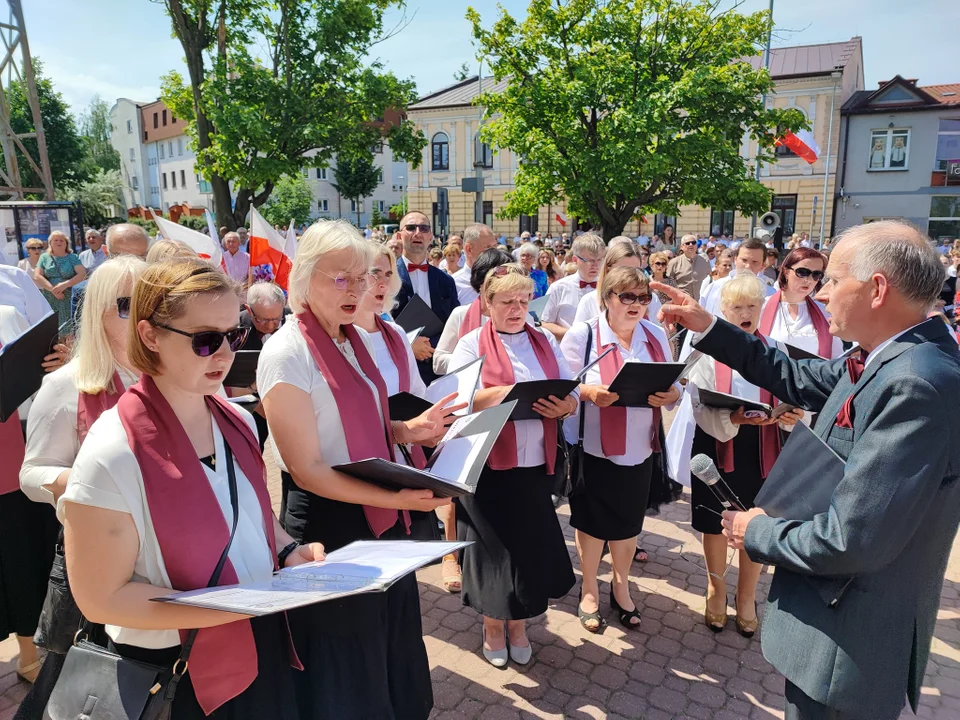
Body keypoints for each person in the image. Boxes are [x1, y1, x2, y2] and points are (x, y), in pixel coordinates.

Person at [655, 221, 960, 720]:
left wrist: (760, 532)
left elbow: (852, 538)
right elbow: (796, 375)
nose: (823, 291)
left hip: (850, 639)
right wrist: (707, 327)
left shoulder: (915, 384)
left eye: (834, 280)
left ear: (877, 289)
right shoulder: (889, 358)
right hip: (836, 622)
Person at [59, 258, 320, 719]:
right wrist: (228, 608)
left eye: (233, 335)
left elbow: (250, 520)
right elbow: (100, 598)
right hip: (175, 673)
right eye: (204, 340)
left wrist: (286, 552)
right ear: (150, 335)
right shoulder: (112, 448)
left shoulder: (237, 419)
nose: (225, 355)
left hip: (258, 642)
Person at [257, 220, 459, 719]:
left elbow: (365, 421)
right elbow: (306, 469)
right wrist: (400, 499)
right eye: (339, 278)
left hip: (380, 511)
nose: (356, 288)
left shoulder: (353, 339)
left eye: (359, 276)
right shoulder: (286, 352)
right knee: (346, 663)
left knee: (390, 642)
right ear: (304, 278)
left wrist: (410, 430)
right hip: (333, 523)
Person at [15, 255, 147, 717]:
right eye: (128, 304)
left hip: (158, 562)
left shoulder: (169, 380)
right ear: (98, 312)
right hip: (88, 558)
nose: (143, 314)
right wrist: (84, 482)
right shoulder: (66, 385)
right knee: (71, 688)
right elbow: (31, 474)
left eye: (154, 301)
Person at [449, 264, 576, 667]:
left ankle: (519, 625)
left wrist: (566, 403)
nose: (517, 308)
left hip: (536, 462)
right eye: (507, 301)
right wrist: (507, 393)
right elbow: (460, 398)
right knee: (492, 549)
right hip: (488, 463)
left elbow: (570, 387)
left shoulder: (543, 341)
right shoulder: (472, 344)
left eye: (523, 300)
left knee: (526, 547)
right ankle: (491, 626)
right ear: (487, 304)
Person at [678, 274, 803, 638]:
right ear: (723, 310)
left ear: (762, 309)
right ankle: (716, 589)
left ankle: (747, 596)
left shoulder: (776, 349)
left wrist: (791, 414)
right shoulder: (705, 350)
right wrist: (731, 417)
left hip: (765, 448)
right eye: (737, 307)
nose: (745, 312)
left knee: (756, 522)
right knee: (716, 523)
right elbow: (698, 404)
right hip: (719, 443)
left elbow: (795, 393)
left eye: (752, 305)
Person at [560, 267, 678, 632]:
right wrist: (588, 393)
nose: (636, 305)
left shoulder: (655, 335)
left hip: (641, 446)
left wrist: (673, 394)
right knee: (593, 525)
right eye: (627, 297)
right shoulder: (584, 335)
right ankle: (591, 587)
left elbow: (675, 384)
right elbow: (564, 387)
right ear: (608, 298)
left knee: (628, 526)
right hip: (594, 447)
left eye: (642, 298)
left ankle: (621, 586)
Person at [393, 211, 460, 385]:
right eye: (410, 228)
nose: (417, 233)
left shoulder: (446, 281)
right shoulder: (387, 276)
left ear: (430, 236)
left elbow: (455, 322)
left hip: (437, 368)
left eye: (423, 228)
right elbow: (374, 321)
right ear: (399, 236)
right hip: (400, 367)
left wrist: (435, 348)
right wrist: (408, 345)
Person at [433, 248, 514, 376]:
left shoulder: (519, 317)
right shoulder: (461, 314)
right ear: (481, 282)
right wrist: (475, 361)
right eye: (500, 280)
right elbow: (438, 362)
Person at [759, 247, 843, 360]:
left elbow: (836, 358)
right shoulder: (761, 307)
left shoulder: (825, 312)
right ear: (786, 272)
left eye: (816, 274)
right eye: (802, 272)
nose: (808, 280)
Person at [573, 241, 662, 325]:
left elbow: (660, 336)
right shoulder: (589, 301)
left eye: (636, 270)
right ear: (608, 270)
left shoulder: (651, 300)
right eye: (622, 270)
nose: (630, 276)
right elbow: (578, 337)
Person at [539, 233, 605, 339]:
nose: (596, 266)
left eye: (600, 260)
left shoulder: (609, 288)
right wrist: (574, 335)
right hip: (567, 351)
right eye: (590, 261)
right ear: (575, 260)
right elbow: (544, 323)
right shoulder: (558, 288)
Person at [697, 238, 776, 319]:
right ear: (735, 259)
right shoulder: (714, 288)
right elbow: (699, 321)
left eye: (754, 262)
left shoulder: (770, 295)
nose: (748, 266)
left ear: (762, 265)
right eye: (744, 260)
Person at [34, 231, 85, 331]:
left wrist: (65, 284)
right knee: (53, 327)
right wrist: (53, 290)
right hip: (50, 297)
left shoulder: (73, 257)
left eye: (62, 240)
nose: (59, 242)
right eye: (55, 240)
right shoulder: (44, 257)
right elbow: (37, 275)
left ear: (66, 243)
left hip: (70, 296)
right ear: (50, 243)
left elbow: (82, 274)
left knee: (71, 327)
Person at [451, 223, 497, 304]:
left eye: (494, 247)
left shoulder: (502, 279)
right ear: (469, 249)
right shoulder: (453, 284)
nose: (493, 253)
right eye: (487, 248)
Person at [239, 282, 290, 351]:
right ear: (249, 310)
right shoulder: (235, 328)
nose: (270, 326)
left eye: (276, 319)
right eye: (263, 320)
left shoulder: (297, 323)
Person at [666, 234, 710, 301]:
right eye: (687, 243)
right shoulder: (674, 263)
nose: (691, 245)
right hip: (682, 303)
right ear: (682, 247)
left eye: (693, 242)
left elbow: (710, 279)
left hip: (701, 302)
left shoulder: (705, 261)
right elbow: (667, 282)